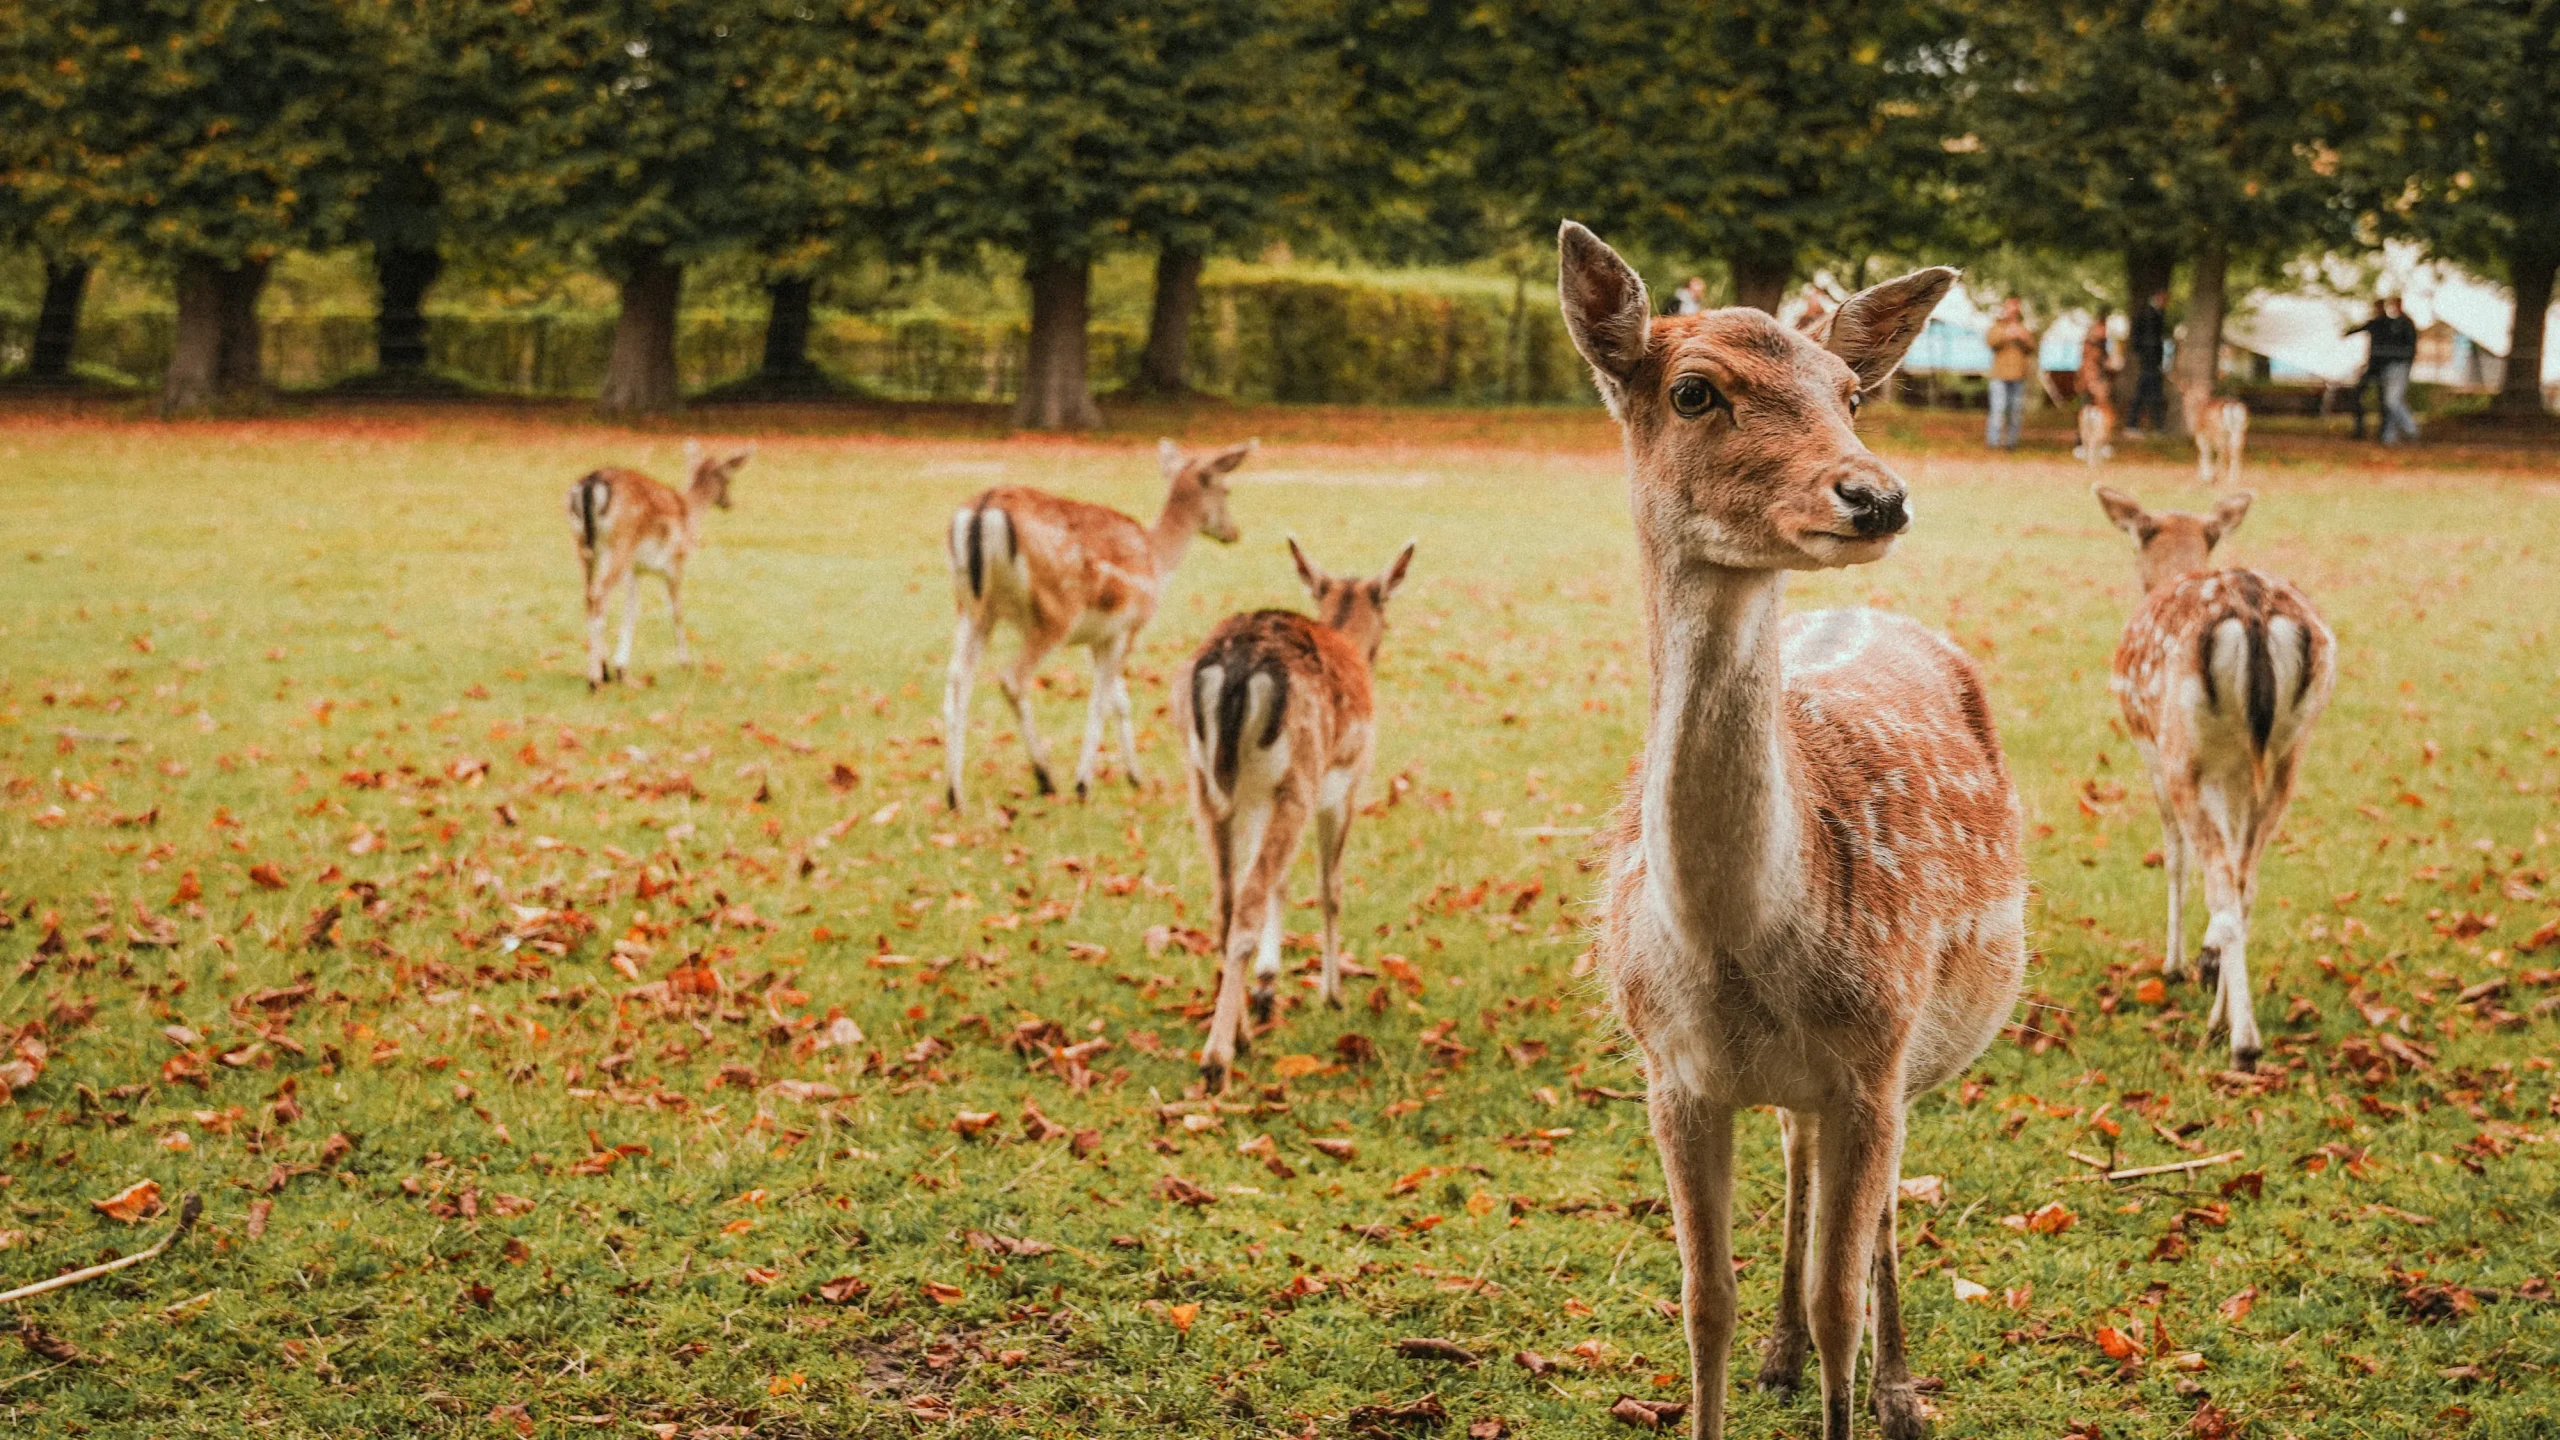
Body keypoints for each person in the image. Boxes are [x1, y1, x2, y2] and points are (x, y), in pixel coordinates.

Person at [1983, 297, 2035, 450]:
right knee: (1997, 410)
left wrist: (2023, 338)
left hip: (2018, 376)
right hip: (2000, 375)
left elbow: (2031, 347)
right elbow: (1991, 342)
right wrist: (2007, 334)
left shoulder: (2023, 327)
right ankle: (1993, 442)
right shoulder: (1997, 326)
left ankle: (2011, 443)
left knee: (2015, 412)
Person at [2372, 296, 2421, 444]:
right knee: (2390, 401)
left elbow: (2410, 347)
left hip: (2400, 366)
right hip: (2388, 366)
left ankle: (2411, 428)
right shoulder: (2390, 324)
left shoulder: (2405, 324)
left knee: (2392, 401)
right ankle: (2389, 435)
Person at [2341, 299, 2389, 439]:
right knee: (2358, 394)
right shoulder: (2374, 323)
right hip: (2373, 365)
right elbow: (2358, 329)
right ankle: (2360, 429)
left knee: (2383, 400)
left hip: (2382, 367)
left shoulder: (2389, 325)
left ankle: (2382, 432)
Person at [2127, 290, 2169, 435]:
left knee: (2146, 392)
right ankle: (2149, 425)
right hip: (2150, 361)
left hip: (2150, 360)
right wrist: (2153, 359)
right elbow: (2151, 340)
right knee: (2149, 393)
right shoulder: (2150, 315)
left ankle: (2139, 424)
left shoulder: (2151, 314)